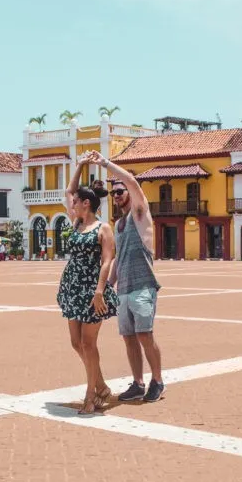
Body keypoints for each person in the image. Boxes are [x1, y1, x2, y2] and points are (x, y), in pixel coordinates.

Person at [88, 150, 165, 403]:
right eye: (114, 193)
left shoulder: (140, 215)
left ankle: (157, 380)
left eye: (119, 191)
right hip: (124, 289)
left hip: (143, 285)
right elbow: (118, 260)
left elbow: (133, 183)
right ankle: (138, 383)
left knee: (145, 334)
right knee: (129, 338)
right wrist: (109, 286)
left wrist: (106, 164)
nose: (117, 195)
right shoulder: (119, 224)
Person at [56, 154, 118, 415]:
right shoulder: (77, 223)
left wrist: (100, 290)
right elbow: (70, 189)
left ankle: (91, 396)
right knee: (76, 342)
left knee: (89, 343)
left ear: (86, 203)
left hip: (93, 290)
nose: (72, 203)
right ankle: (101, 385)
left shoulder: (103, 228)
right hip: (72, 286)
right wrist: (81, 164)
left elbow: (107, 260)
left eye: (77, 202)